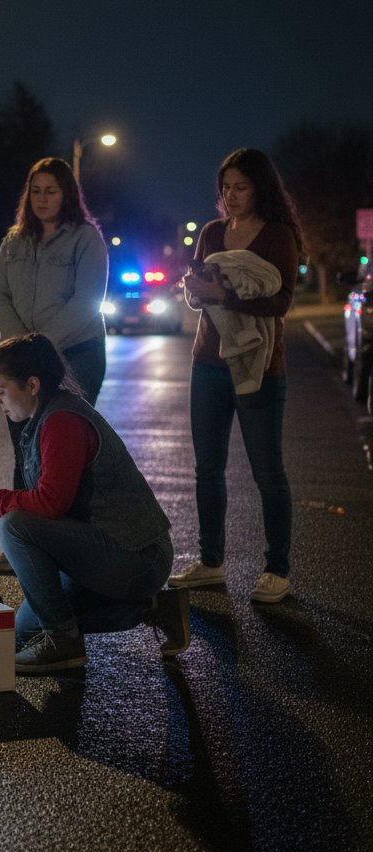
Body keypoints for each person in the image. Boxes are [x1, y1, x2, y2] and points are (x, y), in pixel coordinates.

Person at [0, 334, 187, 674]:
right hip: (105, 550)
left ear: (32, 384)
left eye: (1, 389)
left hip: (137, 556)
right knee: (22, 632)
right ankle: (155, 609)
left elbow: (50, 503)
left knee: (14, 526)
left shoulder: (62, 421)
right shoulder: (46, 415)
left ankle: (63, 641)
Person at [170, 148, 306, 604]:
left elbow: (280, 302)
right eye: (225, 187)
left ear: (260, 188)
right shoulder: (211, 232)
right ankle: (211, 562)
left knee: (267, 470)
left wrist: (222, 295)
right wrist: (196, 290)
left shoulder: (277, 235)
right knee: (208, 469)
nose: (230, 195)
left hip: (260, 364)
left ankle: (278, 570)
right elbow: (200, 295)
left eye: (240, 187)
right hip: (208, 360)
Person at [0, 157, 109, 573]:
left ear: (67, 194)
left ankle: (71, 540)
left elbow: (87, 301)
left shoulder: (85, 239)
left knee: (64, 447)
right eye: (35, 190)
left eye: (51, 190)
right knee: (24, 446)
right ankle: (19, 542)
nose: (42, 198)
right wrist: (21, 344)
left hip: (77, 354)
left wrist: (38, 345)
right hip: (22, 359)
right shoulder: (13, 242)